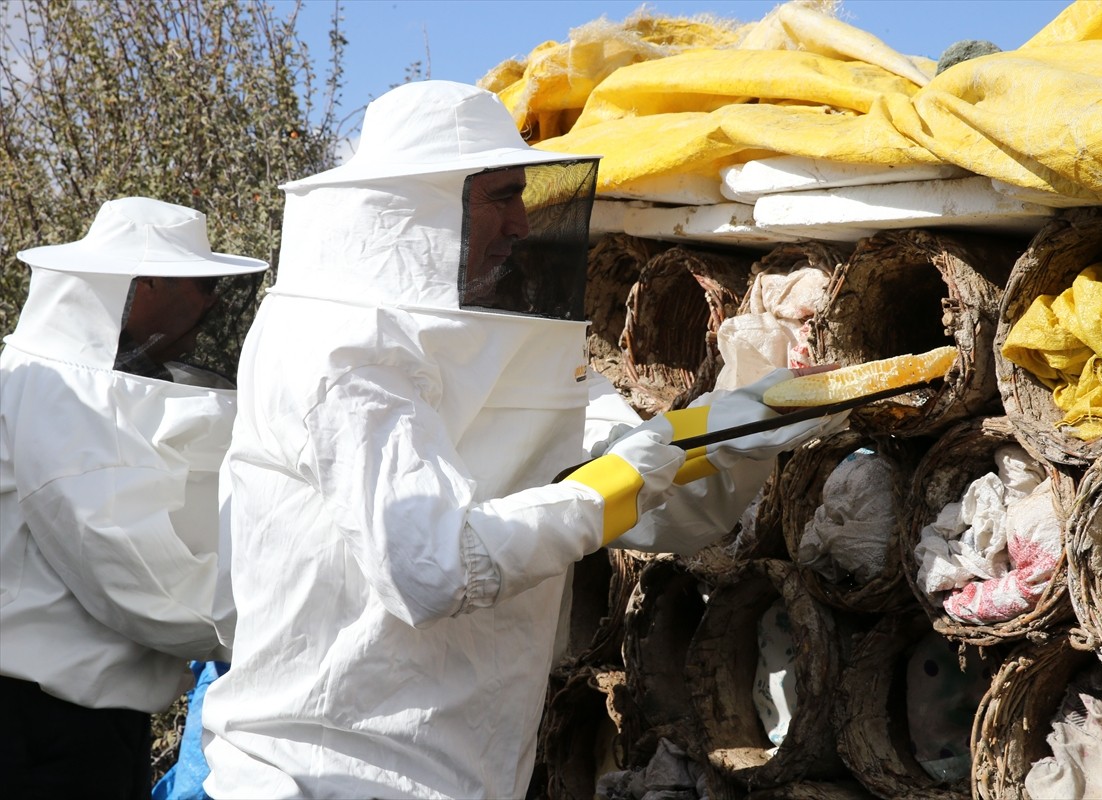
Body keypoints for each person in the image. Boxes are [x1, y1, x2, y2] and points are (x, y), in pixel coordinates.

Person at [201, 80, 846, 799]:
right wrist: (609, 485)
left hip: (462, 773)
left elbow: (654, 504)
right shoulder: (335, 349)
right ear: (431, 202)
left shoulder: (511, 346)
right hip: (316, 775)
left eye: (522, 197)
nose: (521, 224)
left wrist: (741, 431)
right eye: (501, 197)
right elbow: (432, 563)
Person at [0, 197, 268, 797]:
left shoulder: (69, 383)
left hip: (77, 725)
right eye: (200, 286)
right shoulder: (62, 394)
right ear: (144, 284)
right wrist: (276, 616)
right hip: (37, 730)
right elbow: (144, 584)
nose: (212, 304)